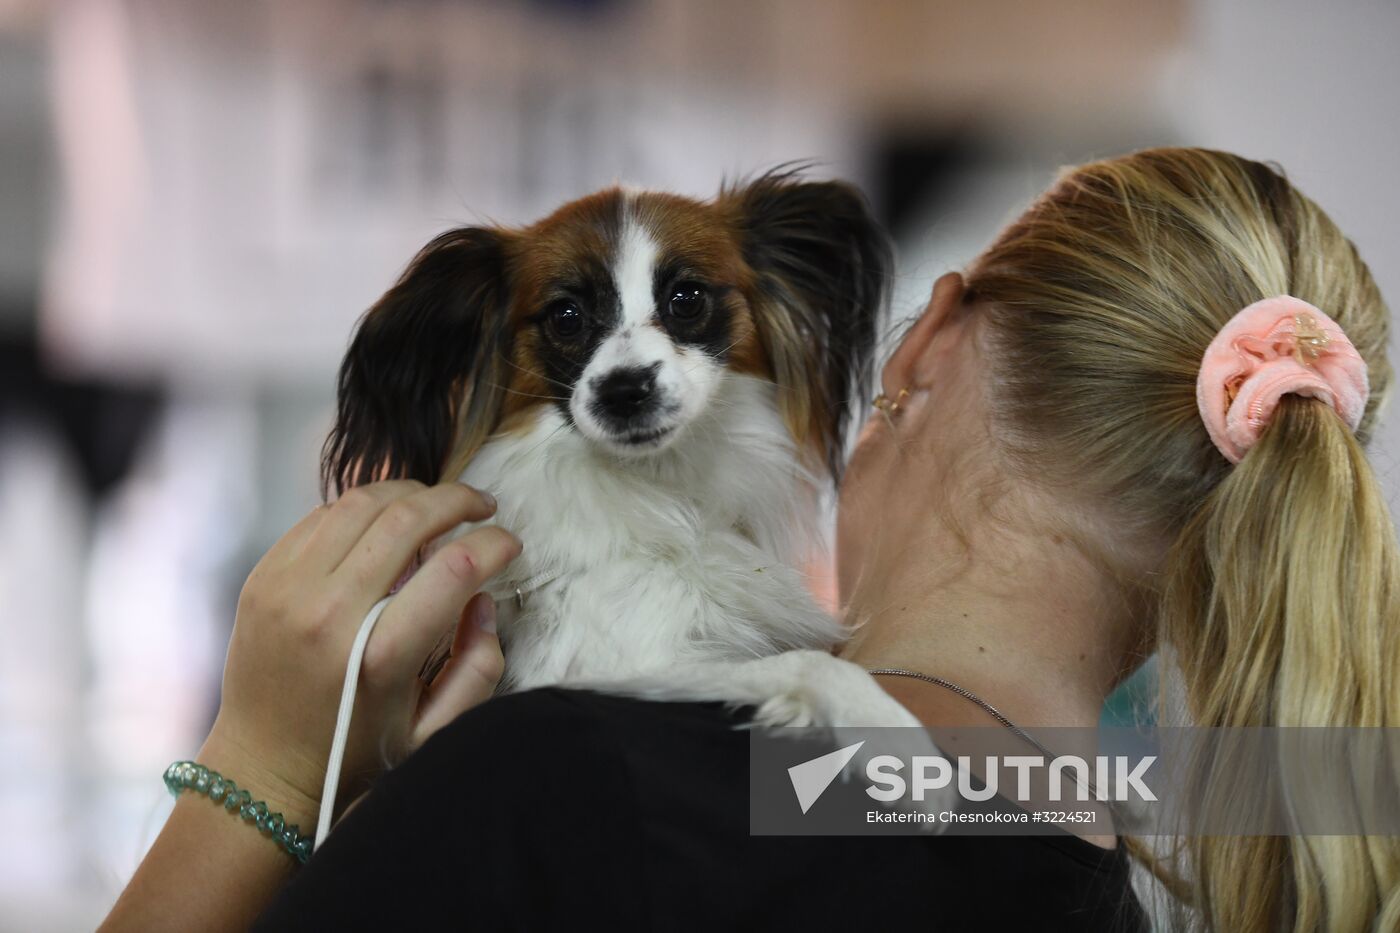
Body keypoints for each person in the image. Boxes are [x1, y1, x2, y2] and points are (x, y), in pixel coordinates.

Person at [99, 148, 1399, 932]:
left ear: (926, 341)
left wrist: (263, 767)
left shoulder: (568, 788)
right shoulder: (1144, 845)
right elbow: (917, 787)